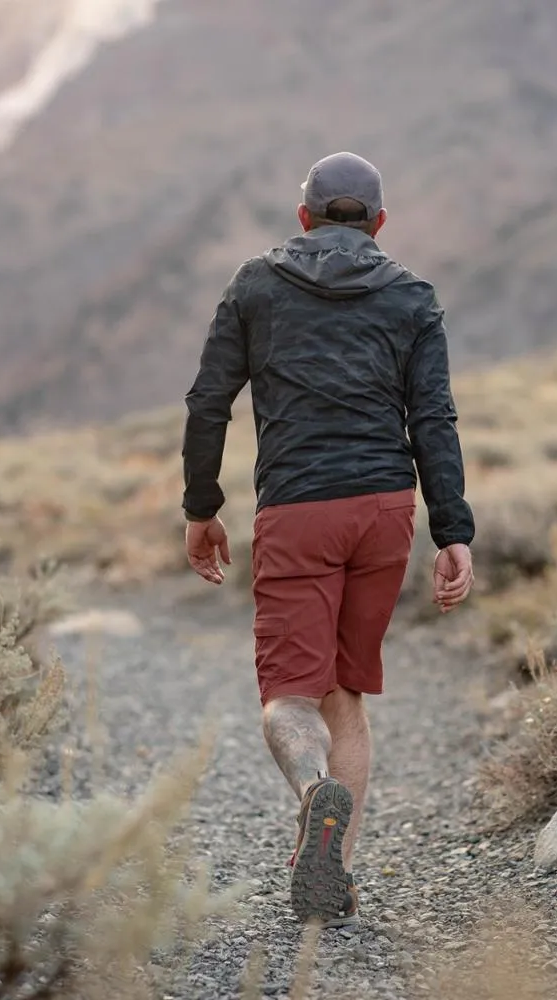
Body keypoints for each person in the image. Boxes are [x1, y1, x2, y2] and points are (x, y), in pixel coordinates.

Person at [179, 150, 476, 929]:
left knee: (289, 696)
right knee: (345, 689)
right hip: (384, 513)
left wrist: (202, 507)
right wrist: (453, 530)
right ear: (379, 223)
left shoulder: (255, 285)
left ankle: (316, 792)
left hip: (298, 511)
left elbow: (209, 401)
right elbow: (434, 418)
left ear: (304, 216)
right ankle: (332, 879)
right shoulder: (411, 295)